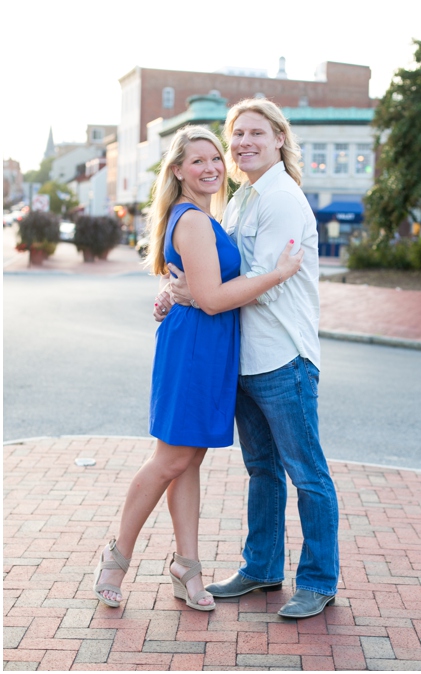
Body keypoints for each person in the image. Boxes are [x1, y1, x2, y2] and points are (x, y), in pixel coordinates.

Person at [92, 125, 302, 612]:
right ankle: (115, 557)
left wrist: (176, 292)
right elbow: (210, 298)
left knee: (189, 459)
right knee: (170, 459)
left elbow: (198, 287)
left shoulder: (208, 217)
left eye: (215, 158)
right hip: (195, 349)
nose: (210, 167)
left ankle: (187, 565)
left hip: (207, 346)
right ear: (179, 170)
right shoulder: (192, 220)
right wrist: (277, 274)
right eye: (197, 161)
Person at [157, 99, 340, 619]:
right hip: (244, 359)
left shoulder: (281, 198)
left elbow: (252, 282)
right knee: (262, 471)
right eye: (237, 135)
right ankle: (261, 567)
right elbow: (213, 267)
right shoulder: (240, 199)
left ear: (279, 138)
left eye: (256, 132)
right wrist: (182, 289)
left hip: (285, 358)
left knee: (307, 473)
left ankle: (318, 580)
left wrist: (196, 293)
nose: (243, 144)